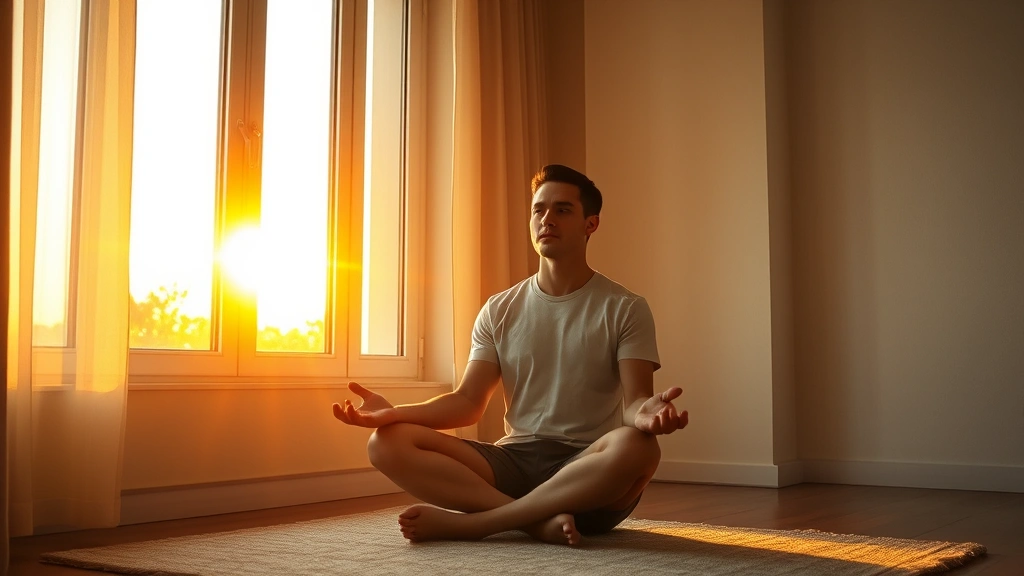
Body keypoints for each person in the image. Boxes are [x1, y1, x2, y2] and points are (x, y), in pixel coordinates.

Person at [332, 164, 687, 545]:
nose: (547, 219)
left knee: (638, 447)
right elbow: (468, 402)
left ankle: (479, 523)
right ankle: (534, 522)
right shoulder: (499, 309)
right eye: (539, 210)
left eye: (562, 210)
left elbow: (634, 402)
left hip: (585, 469)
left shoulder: (625, 307)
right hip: (513, 462)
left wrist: (646, 414)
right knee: (385, 442)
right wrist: (393, 414)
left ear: (591, 224)